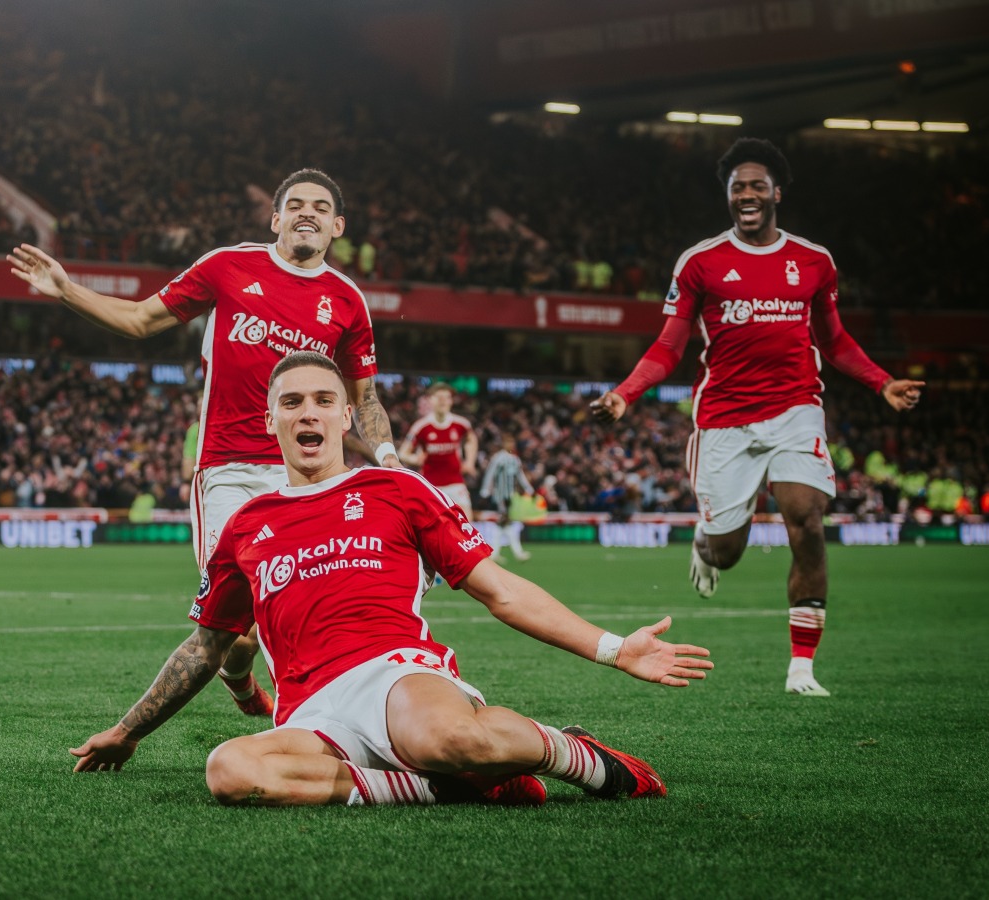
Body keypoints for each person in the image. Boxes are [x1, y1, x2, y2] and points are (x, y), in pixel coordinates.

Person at [70, 352, 712, 807]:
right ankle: (441, 786)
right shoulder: (245, 525)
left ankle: (576, 755)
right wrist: (127, 733)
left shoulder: (398, 489)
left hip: (394, 674)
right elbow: (206, 647)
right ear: (271, 422)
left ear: (346, 416)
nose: (308, 413)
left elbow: (500, 590)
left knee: (448, 737)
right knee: (230, 770)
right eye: (291, 403)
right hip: (312, 712)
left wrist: (614, 649)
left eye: (323, 401)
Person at [10, 169, 401, 718]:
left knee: (302, 609)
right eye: (295, 205)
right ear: (276, 219)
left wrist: (389, 460)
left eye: (320, 207)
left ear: (337, 226)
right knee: (235, 632)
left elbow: (365, 399)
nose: (307, 213)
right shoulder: (228, 266)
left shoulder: (347, 300)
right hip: (229, 471)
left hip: (309, 474)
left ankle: (313, 721)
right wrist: (67, 289)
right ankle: (240, 680)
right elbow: (140, 319)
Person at [589, 138, 923, 697]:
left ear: (776, 193)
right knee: (728, 551)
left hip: (796, 410)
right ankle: (707, 542)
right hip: (725, 420)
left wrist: (882, 382)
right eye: (737, 186)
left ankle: (801, 667)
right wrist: (625, 395)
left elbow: (834, 341)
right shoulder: (699, 262)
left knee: (807, 521)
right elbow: (669, 346)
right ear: (729, 196)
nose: (747, 193)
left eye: (757, 185)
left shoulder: (814, 261)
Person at [397, 382, 478, 520]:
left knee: (467, 522)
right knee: (429, 524)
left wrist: (470, 462)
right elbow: (402, 453)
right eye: (439, 397)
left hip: (455, 482)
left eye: (446, 397)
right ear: (430, 400)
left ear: (451, 401)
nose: (443, 401)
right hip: (430, 485)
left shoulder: (461, 424)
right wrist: (415, 459)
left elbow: (471, 439)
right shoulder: (421, 427)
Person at [479, 436, 535, 563]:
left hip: (511, 495)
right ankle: (516, 552)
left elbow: (520, 476)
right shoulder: (498, 458)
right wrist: (485, 492)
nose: (510, 445)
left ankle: (496, 552)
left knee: (504, 523)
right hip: (500, 495)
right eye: (508, 442)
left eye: (512, 442)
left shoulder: (515, 459)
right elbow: (490, 474)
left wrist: (529, 489)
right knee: (506, 521)